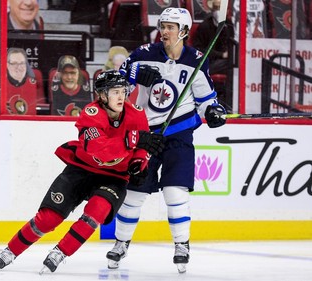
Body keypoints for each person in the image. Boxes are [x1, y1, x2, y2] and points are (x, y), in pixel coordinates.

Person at [0, 70, 165, 274]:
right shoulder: (90, 114)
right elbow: (98, 149)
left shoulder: (135, 113)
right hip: (81, 170)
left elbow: (142, 149)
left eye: (123, 91)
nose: (121, 96)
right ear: (102, 95)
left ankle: (60, 252)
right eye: (115, 92)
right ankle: (10, 251)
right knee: (48, 218)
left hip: (114, 177)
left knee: (96, 211)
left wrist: (138, 164)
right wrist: (132, 140)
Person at [105, 7, 227, 274]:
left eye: (171, 27)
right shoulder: (145, 54)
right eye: (163, 26)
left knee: (175, 192)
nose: (164, 31)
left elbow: (205, 99)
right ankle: (121, 243)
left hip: (179, 134)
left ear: (183, 31)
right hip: (146, 135)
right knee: (135, 194)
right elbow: (116, 79)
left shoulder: (196, 59)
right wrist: (135, 72)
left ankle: (182, 244)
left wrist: (213, 112)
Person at [192, 0, 234, 110]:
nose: (219, 12)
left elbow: (231, 44)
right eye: (216, 9)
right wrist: (221, 55)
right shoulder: (205, 26)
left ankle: (228, 102)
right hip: (208, 63)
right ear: (212, 10)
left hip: (225, 63)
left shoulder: (228, 25)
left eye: (221, 9)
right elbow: (199, 49)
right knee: (230, 64)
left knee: (233, 64)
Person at [0, 48, 38, 115]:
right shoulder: (2, 82)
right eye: (14, 63)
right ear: (7, 65)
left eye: (22, 63)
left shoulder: (31, 84)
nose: (19, 67)